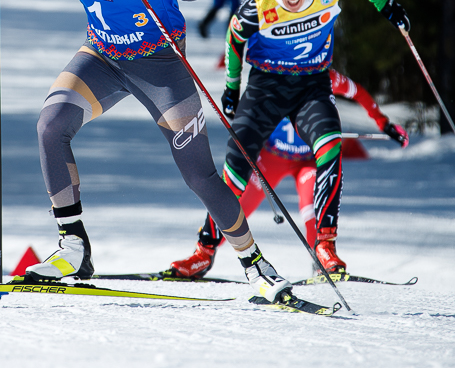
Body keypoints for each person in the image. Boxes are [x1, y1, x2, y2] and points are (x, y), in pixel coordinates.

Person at [0, 0, 294, 303]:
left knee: (199, 175)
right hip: (102, 55)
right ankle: (73, 246)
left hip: (160, 63)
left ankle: (255, 264)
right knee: (50, 126)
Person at [168, 0, 410, 278]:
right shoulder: (257, 6)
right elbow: (235, 40)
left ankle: (325, 246)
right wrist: (232, 89)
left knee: (330, 149)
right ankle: (203, 251)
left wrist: (386, 5)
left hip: (312, 85)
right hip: (267, 87)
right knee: (235, 172)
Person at [169, 69, 409, 278]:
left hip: (307, 160)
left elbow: (357, 92)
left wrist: (383, 122)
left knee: (313, 206)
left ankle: (322, 261)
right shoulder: (271, 75)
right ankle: (203, 254)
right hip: (273, 157)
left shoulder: (325, 76)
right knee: (232, 202)